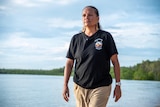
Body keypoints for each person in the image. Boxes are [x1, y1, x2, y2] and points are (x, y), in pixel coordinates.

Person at [62, 5, 121, 107]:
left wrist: (118, 85)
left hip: (101, 86)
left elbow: (115, 62)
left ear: (98, 18)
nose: (86, 17)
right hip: (79, 86)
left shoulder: (105, 37)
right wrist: (65, 85)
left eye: (90, 15)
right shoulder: (76, 39)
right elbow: (69, 63)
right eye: (84, 15)